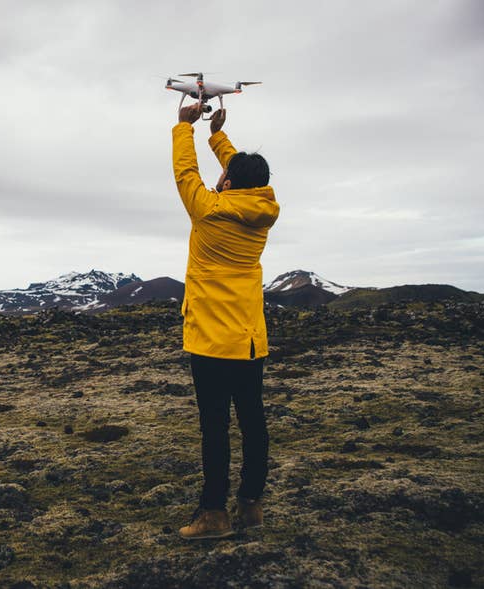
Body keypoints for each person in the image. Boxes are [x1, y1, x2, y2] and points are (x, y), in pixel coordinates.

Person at [172, 103, 280, 540]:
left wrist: (184, 127)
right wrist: (217, 136)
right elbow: (241, 177)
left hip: (210, 343)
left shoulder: (209, 210)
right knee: (253, 420)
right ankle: (251, 506)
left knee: (214, 427)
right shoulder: (264, 210)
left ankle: (213, 513)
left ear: (228, 183)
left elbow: (186, 174)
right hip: (250, 340)